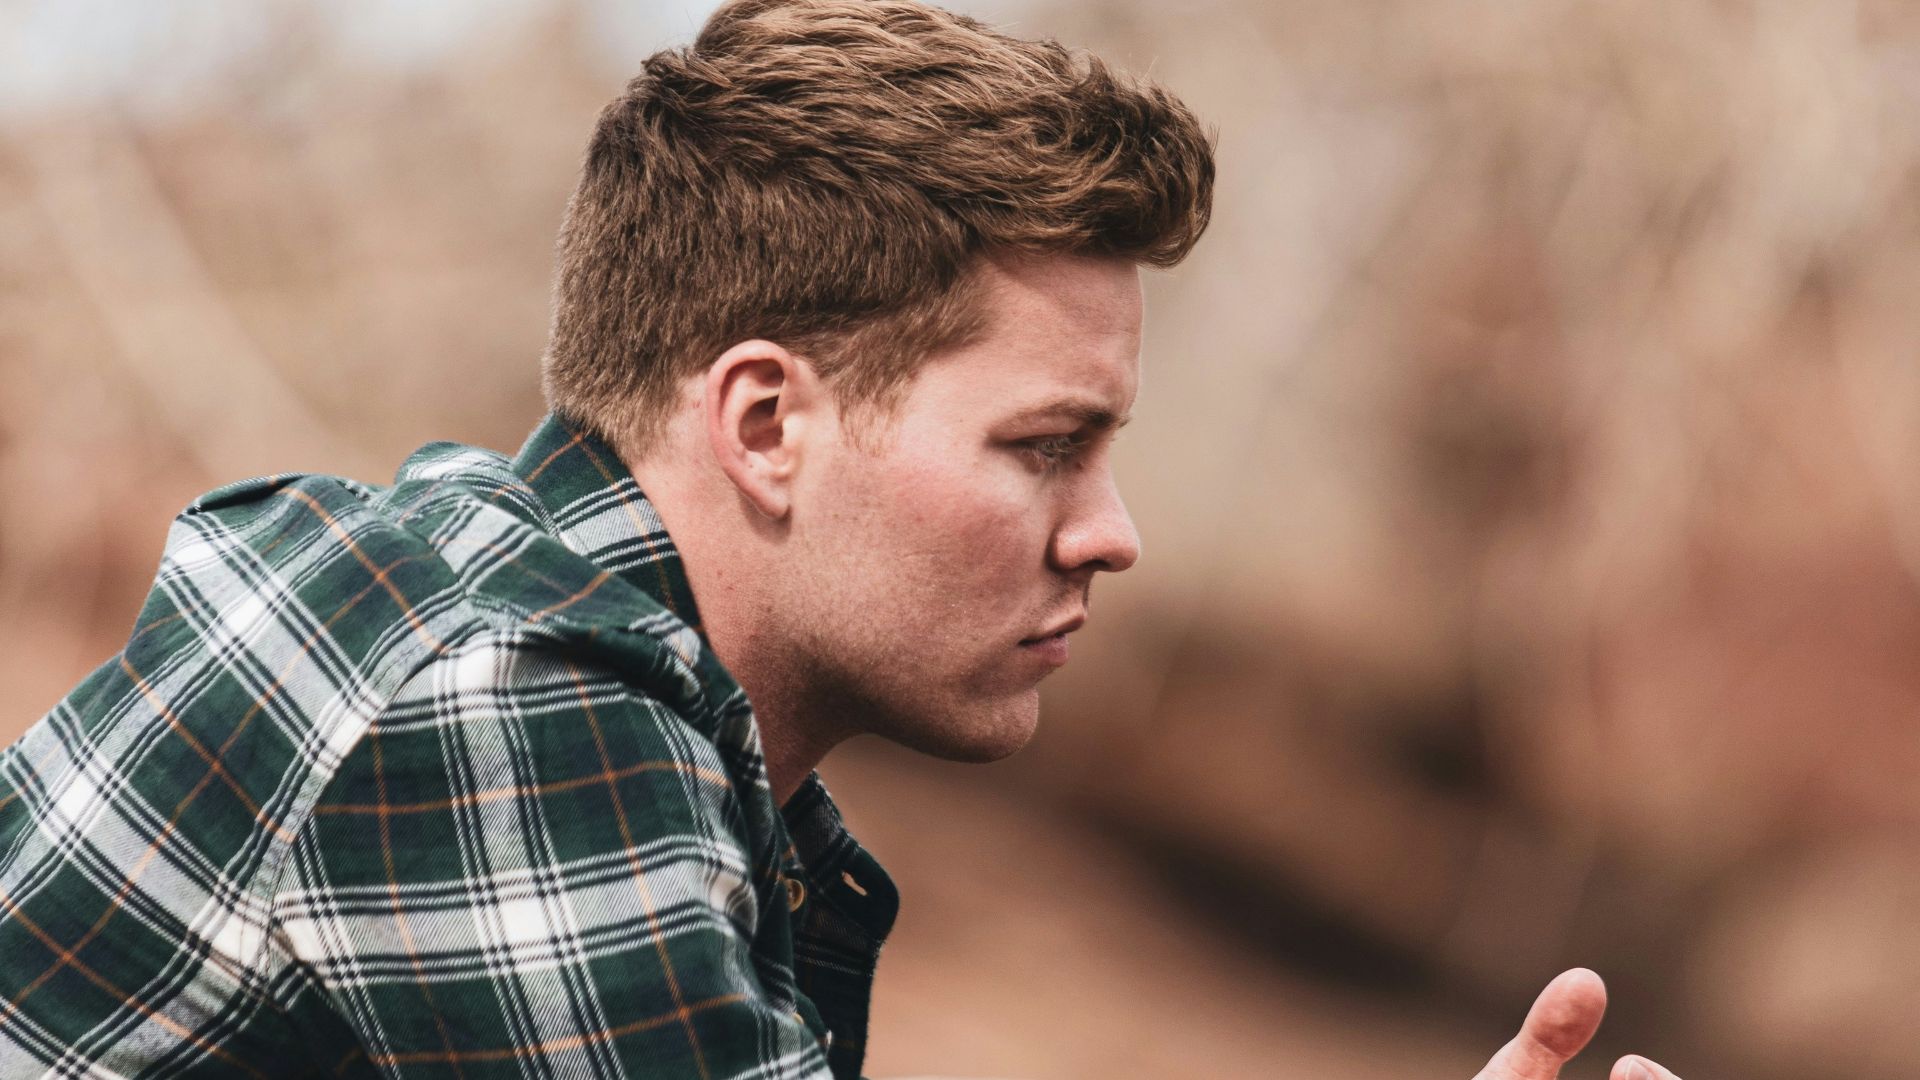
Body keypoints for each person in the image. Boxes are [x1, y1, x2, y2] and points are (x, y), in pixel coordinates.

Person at [0, 1, 1684, 1078]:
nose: (1112, 536)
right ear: (764, 424)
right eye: (1044, 448)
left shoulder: (518, 615)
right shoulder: (500, 701)